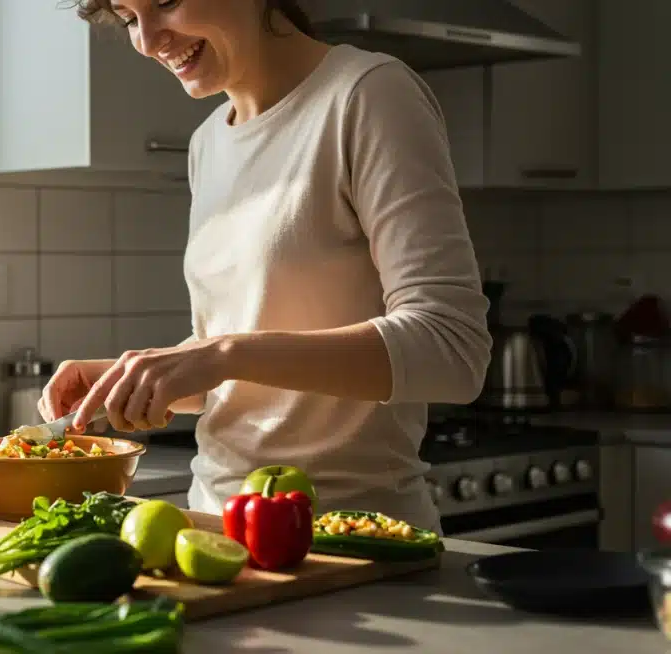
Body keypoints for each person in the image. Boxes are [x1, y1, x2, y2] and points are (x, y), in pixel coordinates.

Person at [38, 0, 491, 532]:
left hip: (352, 539)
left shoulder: (367, 94)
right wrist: (133, 377)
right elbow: (243, 372)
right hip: (213, 532)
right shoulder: (208, 142)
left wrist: (223, 353)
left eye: (164, 2)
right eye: (129, 17)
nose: (146, 40)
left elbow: (452, 349)